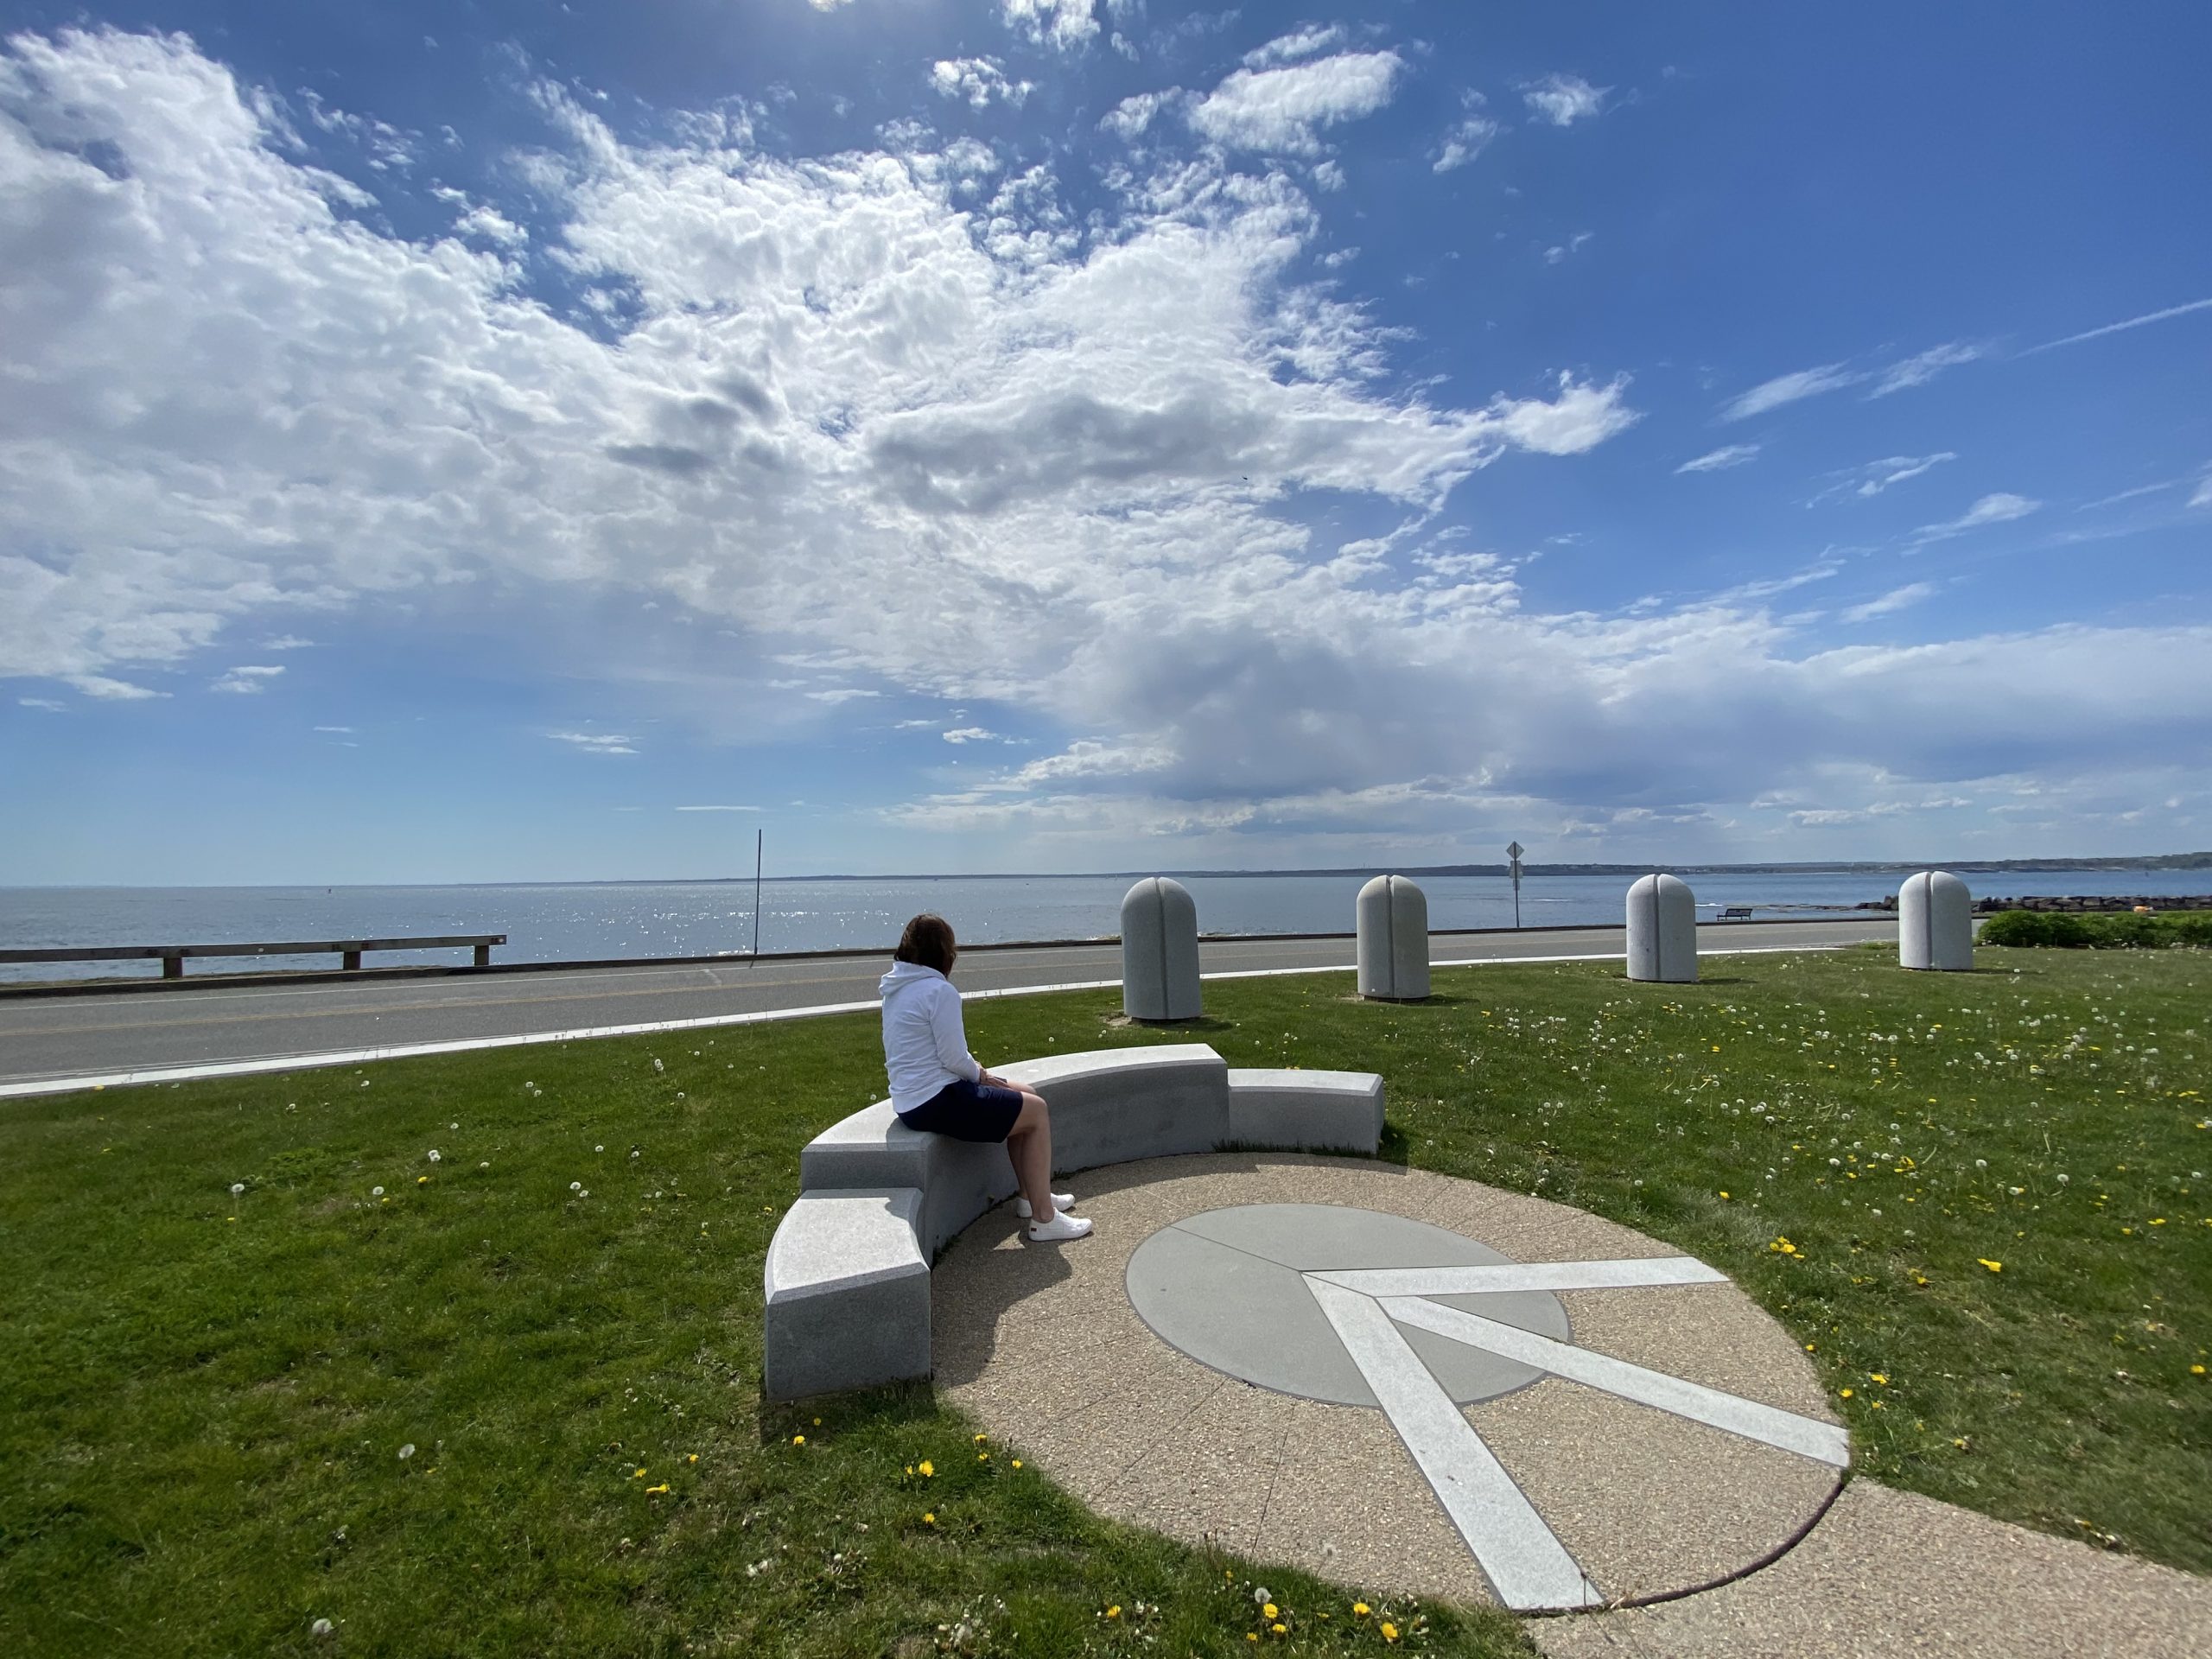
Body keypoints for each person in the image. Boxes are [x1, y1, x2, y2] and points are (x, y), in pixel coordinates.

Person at [880, 913, 1093, 1242]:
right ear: (944, 953)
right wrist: (981, 1075)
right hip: (936, 1099)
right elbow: (953, 1058)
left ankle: (1030, 1197)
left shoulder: (898, 987)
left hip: (912, 1102)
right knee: (1036, 1112)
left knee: (1028, 1094)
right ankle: (1045, 1219)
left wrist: (978, 1076)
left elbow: (941, 1056)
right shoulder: (938, 991)